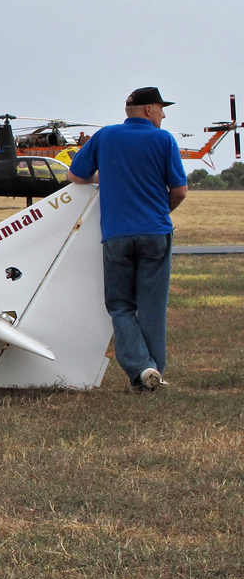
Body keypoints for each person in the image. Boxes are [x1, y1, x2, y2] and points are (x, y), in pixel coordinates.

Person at [67, 87, 188, 393]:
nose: (164, 114)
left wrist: (103, 178)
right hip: (156, 232)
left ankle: (141, 368)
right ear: (148, 110)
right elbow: (180, 190)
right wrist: (162, 211)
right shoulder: (164, 139)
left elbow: (76, 176)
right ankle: (153, 372)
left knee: (121, 307)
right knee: (152, 308)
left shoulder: (105, 136)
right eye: (161, 108)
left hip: (117, 234)